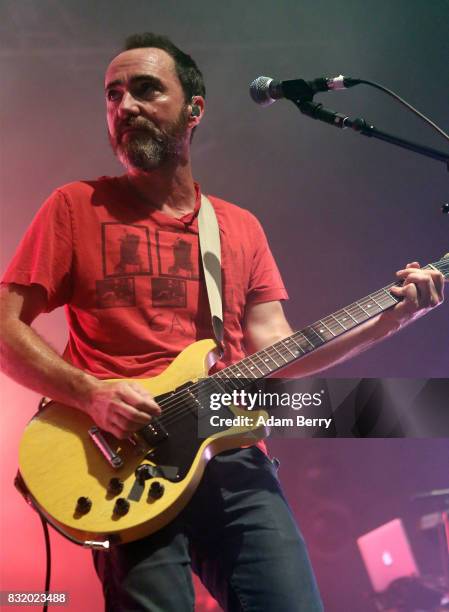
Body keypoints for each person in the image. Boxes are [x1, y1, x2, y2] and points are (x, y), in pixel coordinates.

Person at [0, 32, 444, 612]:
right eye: (113, 95)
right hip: (126, 461)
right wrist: (90, 393)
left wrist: (392, 319)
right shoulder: (74, 207)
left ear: (194, 109)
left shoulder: (237, 228)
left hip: (231, 451)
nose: (124, 106)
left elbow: (278, 351)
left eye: (145, 89)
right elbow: (7, 329)